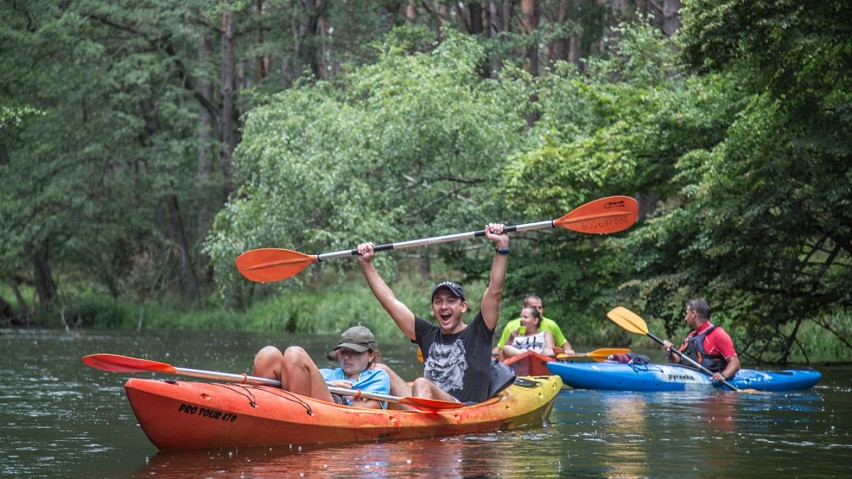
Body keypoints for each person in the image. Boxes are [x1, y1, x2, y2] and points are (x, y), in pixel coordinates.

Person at [356, 223, 509, 406]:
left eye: (451, 300)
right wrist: (366, 264)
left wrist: (502, 247)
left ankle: (416, 427)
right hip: (427, 403)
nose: (444, 306)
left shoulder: (479, 331)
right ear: (433, 307)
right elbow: (390, 302)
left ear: (463, 306)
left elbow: (495, 291)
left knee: (421, 383)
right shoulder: (427, 333)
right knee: (380, 369)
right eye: (438, 301)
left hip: (461, 408)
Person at [252, 325, 391, 409]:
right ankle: (257, 409)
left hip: (337, 411)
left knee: (294, 353)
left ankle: (295, 416)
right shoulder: (326, 374)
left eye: (355, 352)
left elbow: (370, 410)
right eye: (344, 352)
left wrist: (344, 395)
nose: (347, 357)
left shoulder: (378, 376)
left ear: (371, 356)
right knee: (268, 355)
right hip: (311, 405)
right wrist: (329, 385)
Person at [661, 298, 741, 382]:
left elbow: (735, 363)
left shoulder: (718, 334)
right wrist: (669, 352)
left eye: (687, 314)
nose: (685, 318)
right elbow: (676, 360)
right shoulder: (692, 336)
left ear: (694, 314)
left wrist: (723, 375)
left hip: (715, 390)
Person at [492, 295, 574, 356]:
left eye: (540, 308)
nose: (538, 311)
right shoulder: (511, 326)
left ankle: (531, 355)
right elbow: (501, 349)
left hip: (539, 358)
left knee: (548, 351)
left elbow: (562, 345)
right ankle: (527, 355)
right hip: (518, 358)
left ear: (536, 320)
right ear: (524, 308)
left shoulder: (550, 327)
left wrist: (568, 351)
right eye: (534, 308)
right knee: (506, 349)